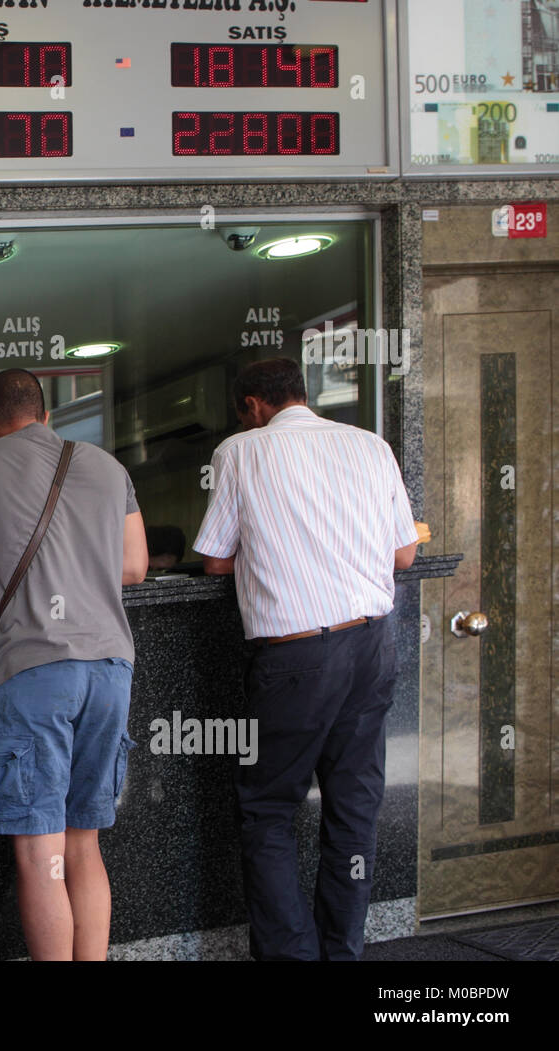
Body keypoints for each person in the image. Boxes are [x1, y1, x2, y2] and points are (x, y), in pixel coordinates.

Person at [192, 357, 419, 962]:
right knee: (354, 808)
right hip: (373, 645)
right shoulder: (371, 445)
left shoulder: (241, 451)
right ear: (302, 394)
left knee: (267, 811)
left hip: (295, 656)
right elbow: (404, 555)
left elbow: (215, 558)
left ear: (251, 406)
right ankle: (342, 951)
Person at [0, 368, 148, 961]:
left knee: (41, 856)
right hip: (109, 669)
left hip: (32, 672)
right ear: (47, 415)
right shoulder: (109, 467)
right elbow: (134, 566)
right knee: (83, 847)